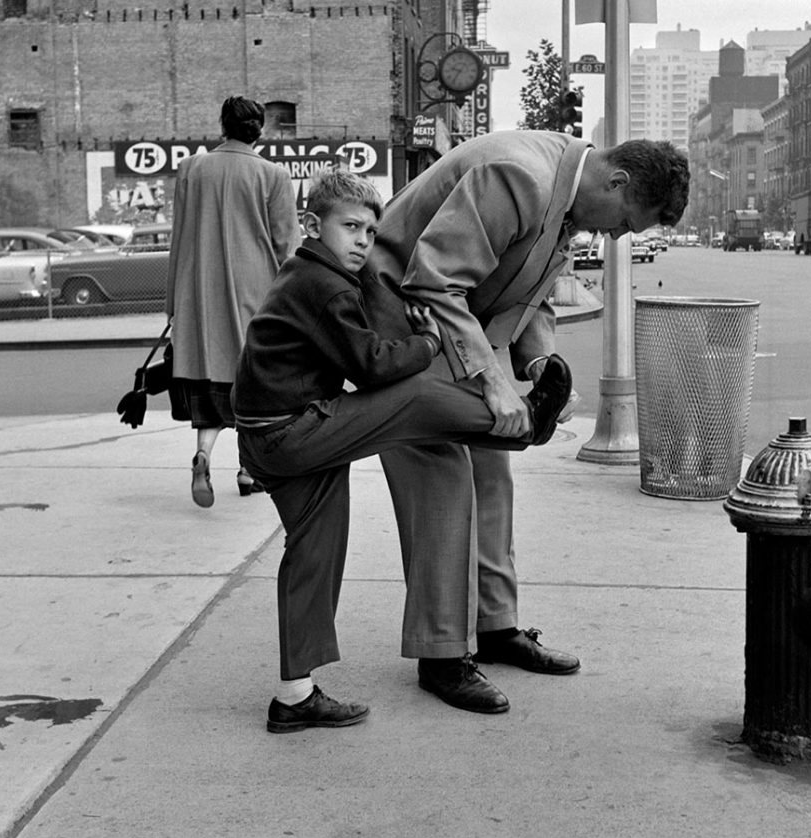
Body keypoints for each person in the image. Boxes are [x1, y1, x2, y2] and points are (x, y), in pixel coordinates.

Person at [360, 130, 690, 715]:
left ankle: (494, 626)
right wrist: (491, 381)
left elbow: (529, 297)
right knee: (440, 474)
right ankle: (441, 656)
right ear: (616, 181)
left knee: (492, 470)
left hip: (452, 327)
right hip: (401, 326)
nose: (616, 236)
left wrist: (537, 366)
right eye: (626, 223)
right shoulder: (519, 176)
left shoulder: (564, 197)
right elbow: (434, 280)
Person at [232, 169, 572, 733]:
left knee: (314, 556)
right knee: (410, 399)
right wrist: (431, 342)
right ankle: (522, 421)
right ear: (313, 226)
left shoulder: (310, 274)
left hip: (269, 434)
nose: (364, 241)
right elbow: (372, 367)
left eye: (371, 229)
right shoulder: (326, 285)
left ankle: (294, 696)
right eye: (350, 227)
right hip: (292, 430)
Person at [166, 95, 301, 508]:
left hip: (199, 297)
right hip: (256, 296)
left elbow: (178, 240)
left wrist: (174, 304)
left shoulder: (191, 169)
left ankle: (204, 454)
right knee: (252, 387)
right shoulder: (273, 175)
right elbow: (286, 248)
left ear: (221, 125)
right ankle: (248, 471)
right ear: (259, 131)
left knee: (210, 394)